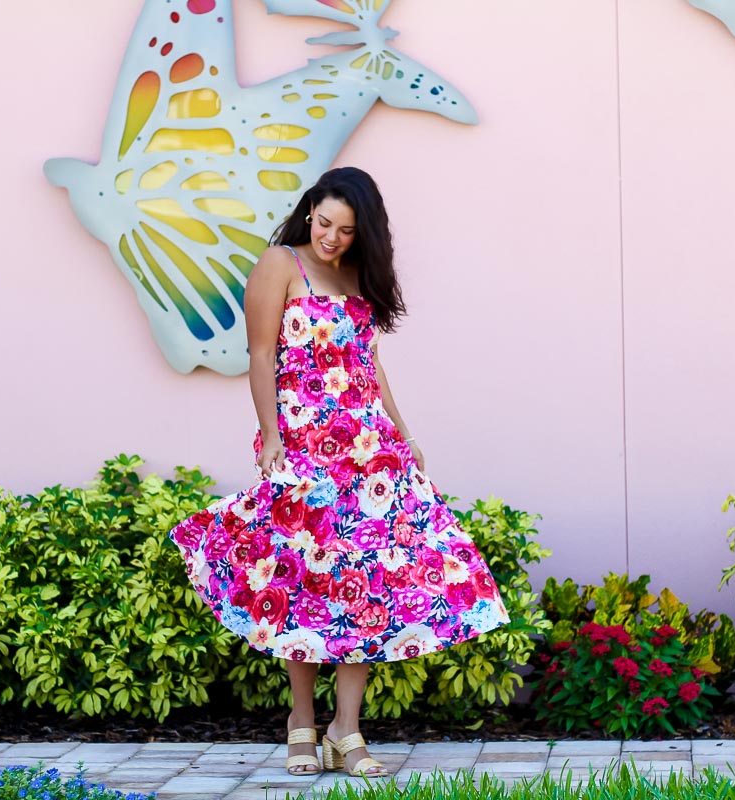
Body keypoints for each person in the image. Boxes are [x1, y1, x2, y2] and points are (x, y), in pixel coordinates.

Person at [168, 167, 510, 778]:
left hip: (368, 455)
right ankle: (301, 722)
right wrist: (271, 435)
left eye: (346, 231)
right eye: (325, 223)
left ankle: (345, 730)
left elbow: (368, 366)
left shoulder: (357, 277)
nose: (331, 238)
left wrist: (404, 435)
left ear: (363, 233)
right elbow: (261, 354)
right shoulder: (281, 264)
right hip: (304, 448)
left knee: (367, 587)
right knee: (301, 583)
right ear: (309, 213)